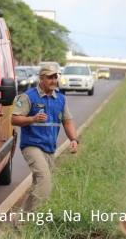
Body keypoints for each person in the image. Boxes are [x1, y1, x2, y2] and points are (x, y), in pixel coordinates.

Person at [11, 64, 79, 228]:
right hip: (32, 146)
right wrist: (32, 119)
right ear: (40, 78)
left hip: (49, 148)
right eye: (50, 77)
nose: (53, 80)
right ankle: (34, 223)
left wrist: (74, 139)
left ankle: (20, 223)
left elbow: (67, 121)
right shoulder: (28, 97)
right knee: (45, 181)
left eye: (55, 77)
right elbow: (14, 119)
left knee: (38, 185)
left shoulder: (61, 99)